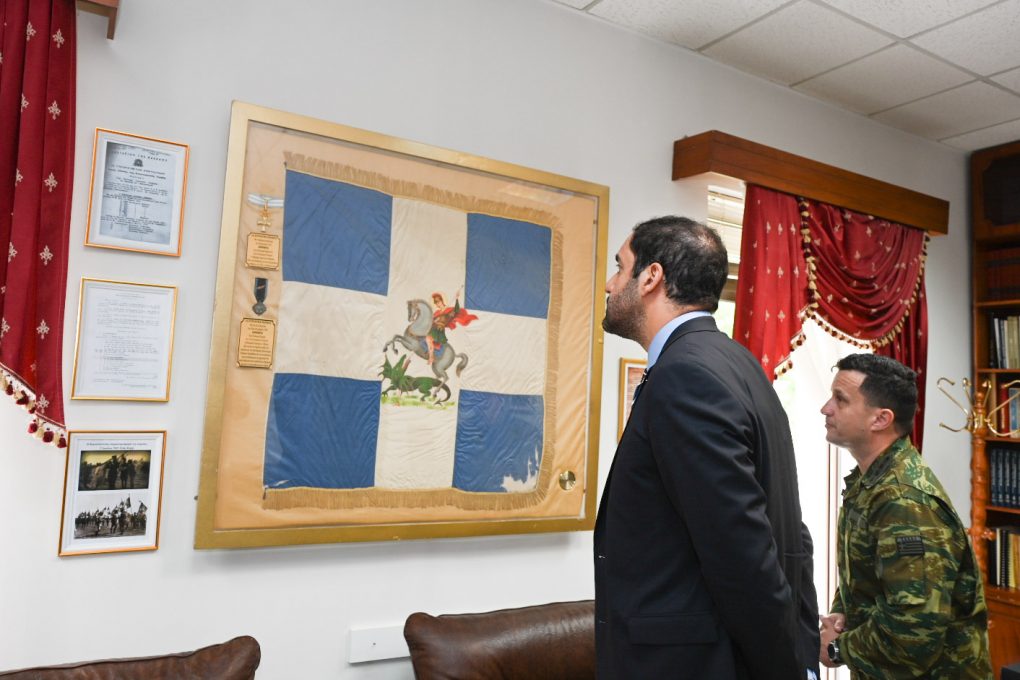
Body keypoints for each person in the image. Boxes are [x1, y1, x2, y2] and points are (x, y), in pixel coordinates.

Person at [594, 216, 819, 679]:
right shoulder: (738, 362)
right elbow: (791, 536)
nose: (610, 284)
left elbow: (742, 554)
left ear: (651, 277)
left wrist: (790, 669)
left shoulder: (685, 374)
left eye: (620, 267)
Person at [819, 353, 991, 678]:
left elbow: (915, 633)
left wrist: (839, 648)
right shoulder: (871, 482)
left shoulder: (904, 500)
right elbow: (866, 573)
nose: (826, 408)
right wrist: (842, 612)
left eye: (840, 400)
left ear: (881, 419)